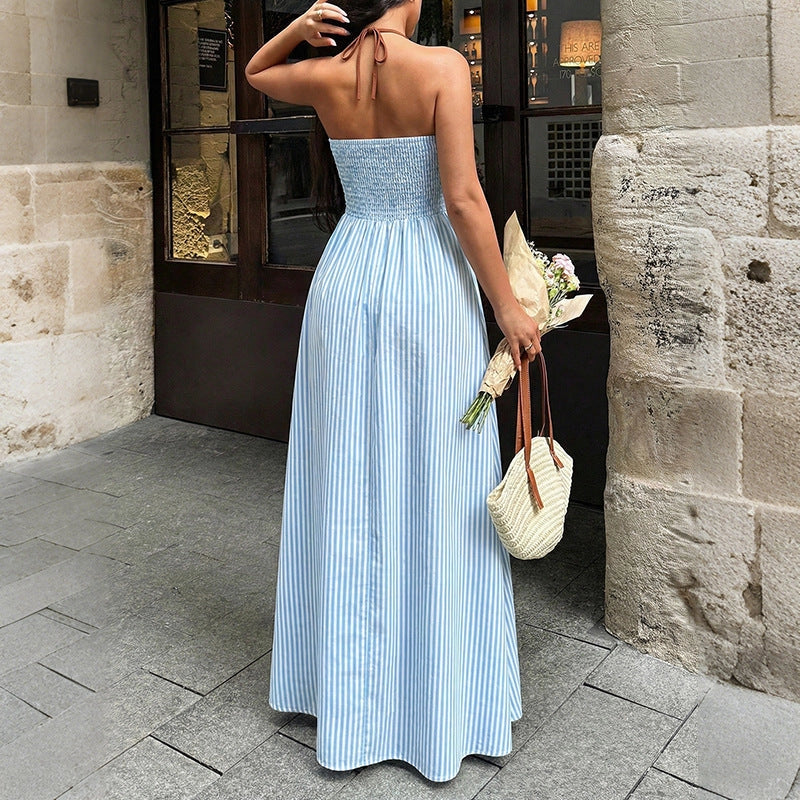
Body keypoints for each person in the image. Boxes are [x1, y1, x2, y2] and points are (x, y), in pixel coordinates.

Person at [245, 0, 541, 784]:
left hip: (346, 280)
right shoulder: (442, 66)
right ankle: (441, 694)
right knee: (438, 475)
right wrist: (508, 305)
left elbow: (254, 73)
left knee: (345, 468)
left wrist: (298, 30)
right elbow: (463, 200)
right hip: (425, 289)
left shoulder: (327, 73)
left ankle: (342, 688)